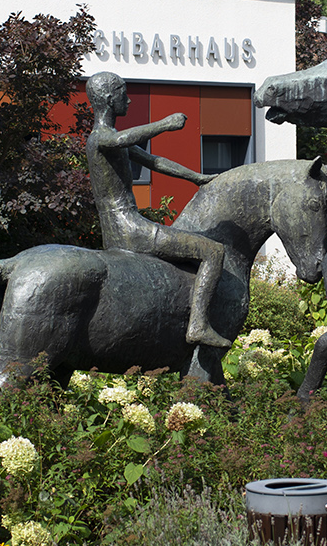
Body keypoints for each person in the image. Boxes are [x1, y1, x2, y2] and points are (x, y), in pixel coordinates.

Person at [85, 71, 231, 348]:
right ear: (107, 98)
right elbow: (120, 141)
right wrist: (164, 124)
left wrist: (196, 178)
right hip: (129, 230)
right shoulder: (102, 139)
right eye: (122, 93)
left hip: (127, 227)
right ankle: (198, 325)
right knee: (213, 251)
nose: (128, 100)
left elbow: (156, 161)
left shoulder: (115, 138)